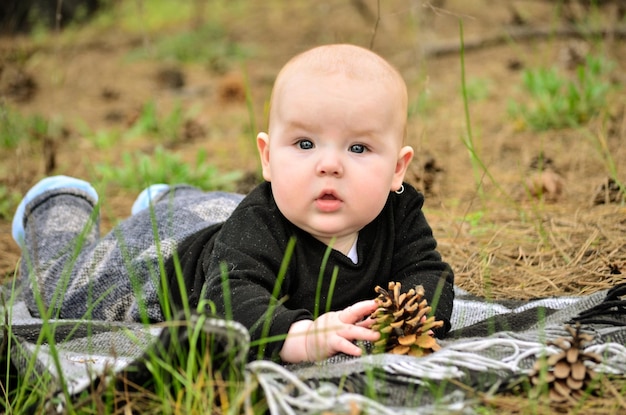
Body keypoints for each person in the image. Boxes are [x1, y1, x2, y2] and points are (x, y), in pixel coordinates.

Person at [12, 44, 454, 363]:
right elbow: (226, 299)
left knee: (212, 214)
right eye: (304, 143)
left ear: (398, 169)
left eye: (358, 148)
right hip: (164, 268)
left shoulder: (400, 211)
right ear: (267, 157)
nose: (329, 165)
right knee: (57, 290)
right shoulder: (261, 220)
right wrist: (295, 333)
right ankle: (58, 204)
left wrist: (408, 319)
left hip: (217, 215)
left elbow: (429, 273)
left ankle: (168, 200)